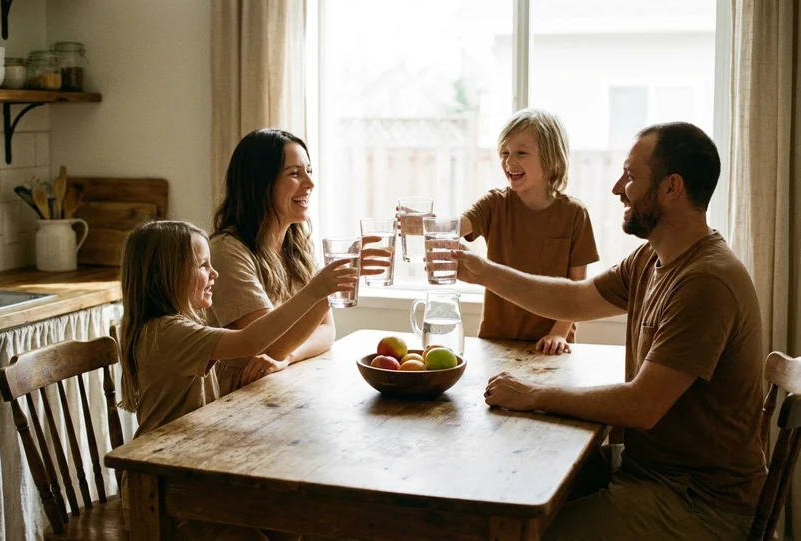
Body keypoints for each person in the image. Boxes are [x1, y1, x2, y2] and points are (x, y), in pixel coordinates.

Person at [445, 122, 766, 539]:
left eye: (631, 176)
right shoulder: (652, 258)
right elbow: (574, 300)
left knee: (520, 533)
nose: (617, 188)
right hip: (649, 473)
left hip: (698, 503)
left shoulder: (706, 282)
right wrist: (483, 271)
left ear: (672, 188)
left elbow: (641, 406)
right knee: (508, 490)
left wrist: (535, 395)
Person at [118, 220, 357, 541]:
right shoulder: (168, 333)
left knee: (292, 524)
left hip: (189, 471)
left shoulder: (178, 326)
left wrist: (323, 297)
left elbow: (278, 346)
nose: (214, 274)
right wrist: (313, 290)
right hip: (161, 487)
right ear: (167, 276)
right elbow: (250, 341)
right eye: (203, 266)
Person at [209, 129, 389, 395]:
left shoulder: (297, 246)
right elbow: (269, 345)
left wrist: (288, 359)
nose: (310, 183)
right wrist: (326, 290)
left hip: (278, 389)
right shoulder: (227, 251)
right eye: (294, 173)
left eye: (309, 171)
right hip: (235, 400)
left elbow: (327, 331)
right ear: (260, 183)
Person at [410, 108, 599, 354]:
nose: (510, 162)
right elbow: (455, 227)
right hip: (495, 341)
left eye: (521, 153)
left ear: (552, 158)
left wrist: (558, 334)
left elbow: (577, 287)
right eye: (505, 153)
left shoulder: (575, 214)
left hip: (550, 346)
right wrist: (425, 225)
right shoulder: (493, 204)